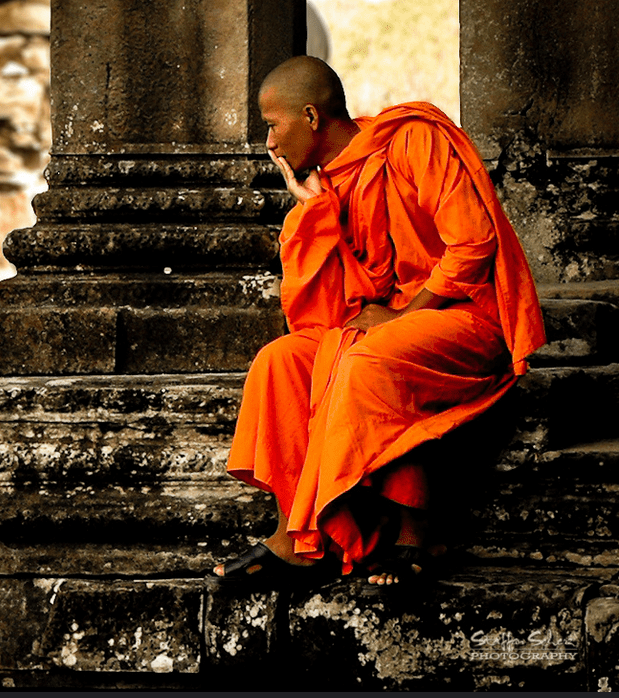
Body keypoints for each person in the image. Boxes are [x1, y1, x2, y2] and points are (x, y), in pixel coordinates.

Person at [207, 56, 546, 590]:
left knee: (370, 356)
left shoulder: (411, 140)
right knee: (281, 361)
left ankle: (418, 534)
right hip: (393, 323)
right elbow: (327, 309)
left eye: (272, 125)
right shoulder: (332, 181)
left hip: (468, 320)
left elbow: (473, 241)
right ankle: (299, 538)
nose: (269, 143)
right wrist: (313, 212)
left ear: (312, 116)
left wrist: (405, 316)